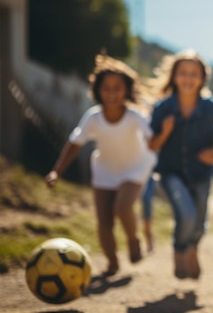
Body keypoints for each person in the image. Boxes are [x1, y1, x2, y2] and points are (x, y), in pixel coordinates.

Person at [45, 54, 156, 276]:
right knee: (104, 223)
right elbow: (74, 144)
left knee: (123, 207)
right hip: (105, 170)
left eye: (118, 88)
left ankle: (133, 239)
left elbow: (151, 139)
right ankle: (112, 263)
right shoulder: (93, 117)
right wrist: (56, 171)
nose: (112, 93)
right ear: (98, 90)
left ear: (126, 91)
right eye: (107, 88)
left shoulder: (135, 116)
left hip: (135, 167)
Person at [149, 49, 213, 280]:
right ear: (174, 76)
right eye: (183, 73)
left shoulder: (211, 106)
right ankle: (179, 251)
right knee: (186, 214)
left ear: (202, 78)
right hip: (170, 172)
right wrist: (164, 132)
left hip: (201, 173)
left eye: (194, 73)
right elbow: (152, 146)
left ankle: (193, 247)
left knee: (199, 222)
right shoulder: (162, 108)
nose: (188, 78)